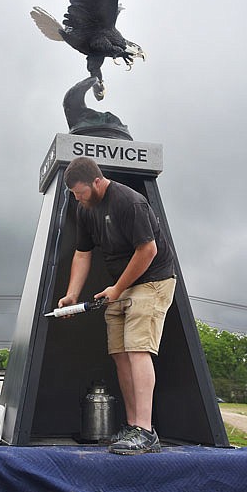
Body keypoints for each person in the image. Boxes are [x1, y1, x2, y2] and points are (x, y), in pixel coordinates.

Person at [58, 156, 176, 455]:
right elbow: (82, 253)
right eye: (73, 194)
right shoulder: (84, 208)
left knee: (137, 349)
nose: (78, 198)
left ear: (97, 181)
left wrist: (117, 288)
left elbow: (148, 250)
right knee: (120, 354)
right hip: (121, 286)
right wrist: (72, 294)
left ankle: (145, 431)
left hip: (152, 280)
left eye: (80, 192)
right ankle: (133, 425)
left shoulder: (129, 202)